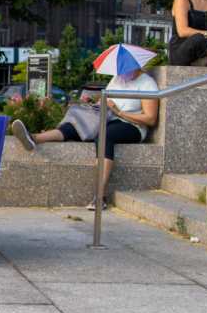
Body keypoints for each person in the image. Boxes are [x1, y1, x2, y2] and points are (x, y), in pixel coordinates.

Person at [11, 68, 160, 210]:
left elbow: (150, 119)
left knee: (104, 136)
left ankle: (101, 196)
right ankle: (34, 138)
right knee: (74, 126)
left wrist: (119, 113)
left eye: (122, 67)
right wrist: (98, 105)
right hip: (108, 118)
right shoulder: (118, 79)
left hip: (131, 125)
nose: (119, 71)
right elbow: (105, 100)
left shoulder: (147, 84)